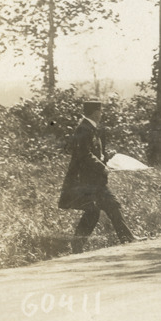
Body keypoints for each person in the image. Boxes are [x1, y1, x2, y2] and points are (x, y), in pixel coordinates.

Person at [58, 100, 136, 253]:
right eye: (100, 111)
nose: (101, 114)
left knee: (105, 207)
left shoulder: (90, 128)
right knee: (96, 210)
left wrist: (107, 157)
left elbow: (93, 153)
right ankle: (78, 246)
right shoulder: (84, 129)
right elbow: (84, 154)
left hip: (94, 180)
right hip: (85, 181)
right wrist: (102, 167)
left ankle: (125, 237)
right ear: (95, 112)